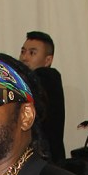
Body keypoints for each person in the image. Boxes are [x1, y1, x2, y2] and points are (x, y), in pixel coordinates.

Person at [19, 31, 65, 162]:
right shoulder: (31, 82)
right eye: (23, 52)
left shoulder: (47, 77)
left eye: (32, 53)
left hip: (45, 164)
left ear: (48, 60)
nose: (24, 58)